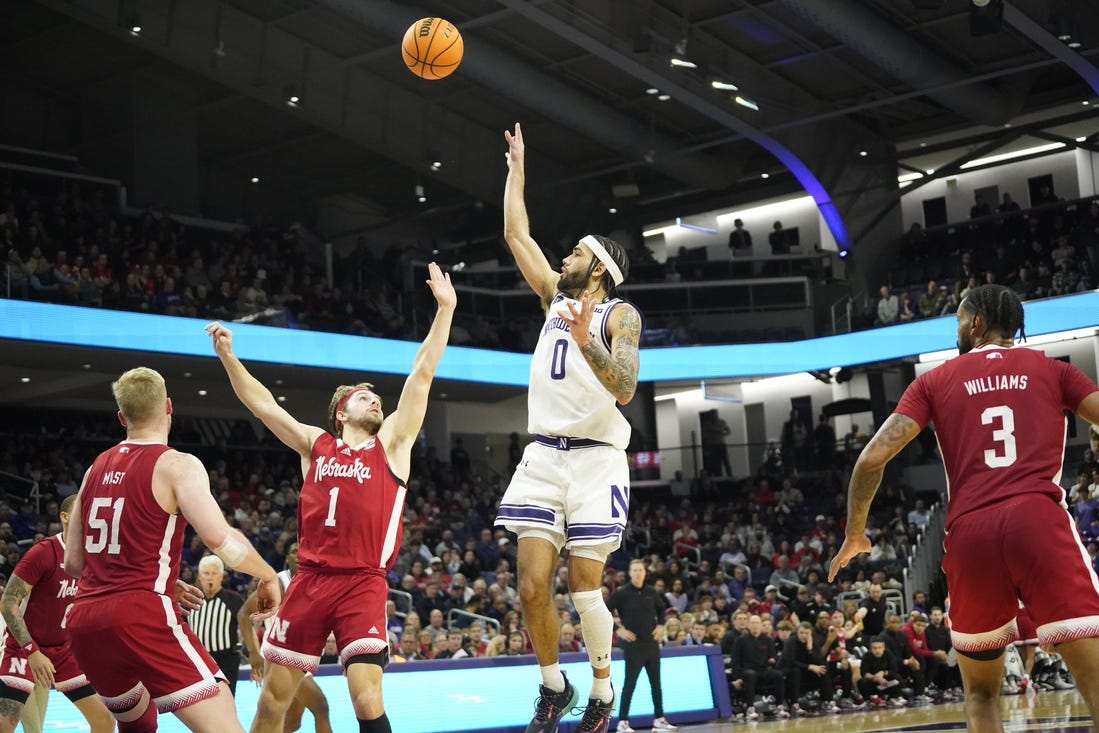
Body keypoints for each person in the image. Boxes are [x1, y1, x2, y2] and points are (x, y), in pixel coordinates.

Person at [830, 283, 1099, 732]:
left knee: (979, 695)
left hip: (971, 534)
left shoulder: (933, 380)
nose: (955, 329)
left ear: (975, 324)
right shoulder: (1054, 370)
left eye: (957, 319)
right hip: (1038, 520)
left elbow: (871, 459)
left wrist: (856, 531)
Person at [206, 261, 455, 733]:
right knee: (272, 704)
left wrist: (444, 311)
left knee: (365, 697)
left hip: (362, 582)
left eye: (377, 398)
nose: (376, 401)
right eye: (365, 398)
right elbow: (262, 405)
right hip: (310, 582)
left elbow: (421, 374)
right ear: (341, 413)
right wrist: (228, 357)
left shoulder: (393, 444)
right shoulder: (314, 444)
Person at [496, 122, 642, 733]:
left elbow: (626, 387)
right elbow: (514, 233)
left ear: (600, 270)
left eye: (577, 253)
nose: (565, 258)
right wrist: (517, 171)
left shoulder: (619, 315)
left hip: (596, 459)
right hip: (543, 456)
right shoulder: (553, 300)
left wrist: (588, 346)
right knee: (531, 587)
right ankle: (554, 686)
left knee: (584, 589)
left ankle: (604, 692)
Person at [63, 366, 282, 733]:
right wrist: (267, 574)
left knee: (138, 724)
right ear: (168, 406)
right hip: (139, 614)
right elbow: (220, 540)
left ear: (122, 417)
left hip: (86, 623)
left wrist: (159, 577)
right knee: (222, 715)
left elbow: (74, 563)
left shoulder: (94, 469)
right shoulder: (176, 464)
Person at [0, 495, 114, 733]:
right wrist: (32, 651)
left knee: (104, 722)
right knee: (4, 724)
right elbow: (9, 601)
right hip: (24, 646)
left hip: (65, 650)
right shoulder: (43, 552)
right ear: (64, 517)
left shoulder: (96, 556)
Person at [239, 543, 333, 733]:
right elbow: (243, 614)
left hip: (300, 657)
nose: (298, 555)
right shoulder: (279, 583)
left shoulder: (317, 583)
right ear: (287, 558)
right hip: (277, 657)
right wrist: (254, 654)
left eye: (303, 551)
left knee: (290, 721)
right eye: (293, 551)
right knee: (320, 706)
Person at [607, 559, 677, 733]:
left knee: (656, 684)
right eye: (634, 570)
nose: (638, 573)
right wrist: (618, 629)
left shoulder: (651, 592)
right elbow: (604, 610)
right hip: (633, 646)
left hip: (651, 644)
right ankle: (622, 722)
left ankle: (659, 720)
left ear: (645, 572)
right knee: (630, 684)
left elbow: (662, 610)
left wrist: (661, 625)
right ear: (630, 573)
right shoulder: (622, 593)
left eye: (640, 570)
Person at [188, 555, 245, 696]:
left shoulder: (234, 600)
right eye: (206, 574)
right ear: (200, 577)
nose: (210, 578)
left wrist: (245, 650)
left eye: (214, 574)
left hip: (226, 660)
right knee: (201, 702)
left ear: (221, 576)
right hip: (199, 660)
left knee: (227, 700)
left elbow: (247, 628)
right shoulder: (190, 601)